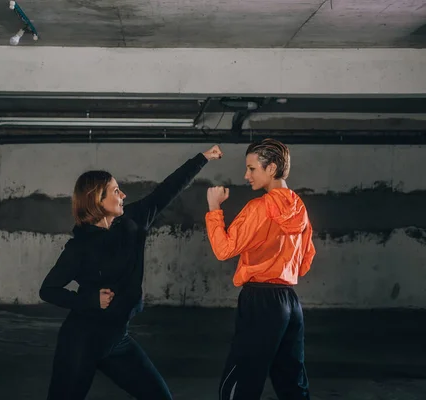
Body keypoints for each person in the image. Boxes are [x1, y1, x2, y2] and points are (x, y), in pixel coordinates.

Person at [39, 145, 223, 400]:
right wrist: (90, 300)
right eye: (116, 191)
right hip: (80, 343)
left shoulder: (133, 221)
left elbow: (168, 189)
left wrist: (202, 158)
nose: (123, 195)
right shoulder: (79, 247)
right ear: (97, 200)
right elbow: (48, 290)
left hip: (117, 340)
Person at [205, 139, 316, 400]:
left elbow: (224, 249)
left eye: (252, 168)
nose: (246, 175)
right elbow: (305, 261)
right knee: (292, 382)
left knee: (239, 382)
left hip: (260, 300)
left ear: (272, 168)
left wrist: (213, 208)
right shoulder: (300, 208)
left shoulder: (259, 208)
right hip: (290, 301)